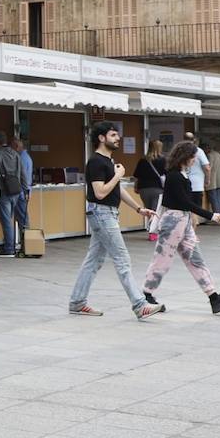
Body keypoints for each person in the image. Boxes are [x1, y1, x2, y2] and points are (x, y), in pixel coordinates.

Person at [68, 121, 163, 319]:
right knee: (122, 259)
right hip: (102, 213)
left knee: (93, 261)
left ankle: (77, 302)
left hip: (107, 213)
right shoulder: (96, 162)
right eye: (113, 135)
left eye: (117, 135)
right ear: (101, 138)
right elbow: (100, 192)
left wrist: (139, 208)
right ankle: (139, 305)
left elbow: (116, 190)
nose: (118, 138)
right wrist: (118, 174)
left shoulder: (108, 161)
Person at [141, 141, 220, 316]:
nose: (194, 160)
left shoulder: (180, 174)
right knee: (162, 259)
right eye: (193, 157)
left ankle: (214, 297)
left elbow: (185, 203)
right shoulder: (175, 176)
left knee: (195, 259)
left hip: (182, 221)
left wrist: (193, 217)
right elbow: (184, 202)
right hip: (173, 221)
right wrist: (210, 215)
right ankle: (146, 295)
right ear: (185, 157)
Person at [0, 131, 22, 257]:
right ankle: (10, 244)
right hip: (15, 190)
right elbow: (20, 171)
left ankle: (9, 248)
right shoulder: (15, 153)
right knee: (10, 219)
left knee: (6, 220)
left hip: (3, 191)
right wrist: (22, 187)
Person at [132, 140, 166, 221]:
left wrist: (136, 187)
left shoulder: (143, 160)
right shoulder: (163, 160)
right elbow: (167, 174)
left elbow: (137, 176)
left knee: (149, 211)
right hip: (157, 188)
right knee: (155, 212)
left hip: (143, 189)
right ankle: (153, 228)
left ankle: (150, 227)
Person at [11, 136, 34, 241]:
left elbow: (22, 176)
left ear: (16, 147)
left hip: (21, 192)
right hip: (24, 191)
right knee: (23, 217)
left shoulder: (22, 158)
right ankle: (25, 241)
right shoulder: (26, 157)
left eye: (12, 147)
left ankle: (26, 241)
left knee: (23, 218)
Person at [183, 132, 210, 214]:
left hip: (183, 184)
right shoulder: (198, 151)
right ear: (194, 140)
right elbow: (207, 168)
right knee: (196, 211)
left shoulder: (180, 150)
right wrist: (207, 180)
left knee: (185, 211)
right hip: (196, 185)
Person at [206, 142, 220, 216]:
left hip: (213, 182)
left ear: (208, 148)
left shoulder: (210, 155)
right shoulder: (219, 155)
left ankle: (218, 218)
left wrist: (206, 179)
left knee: (214, 201)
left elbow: (209, 168)